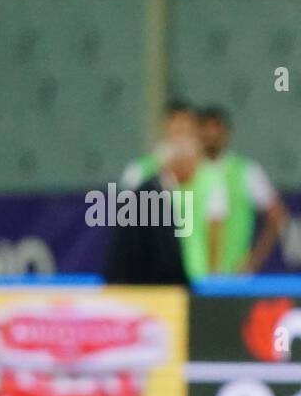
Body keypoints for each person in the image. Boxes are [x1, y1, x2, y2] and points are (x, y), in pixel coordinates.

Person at [118, 102, 228, 281]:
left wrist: (213, 275)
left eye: (187, 130)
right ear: (166, 129)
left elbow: (215, 231)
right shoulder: (138, 172)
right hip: (149, 279)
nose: (181, 137)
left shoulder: (212, 178)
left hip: (195, 276)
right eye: (177, 129)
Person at [198, 106, 288, 275]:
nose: (210, 134)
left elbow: (277, 217)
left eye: (215, 128)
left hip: (232, 276)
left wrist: (253, 262)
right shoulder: (187, 172)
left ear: (227, 133)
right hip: (193, 274)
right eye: (205, 128)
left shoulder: (246, 172)